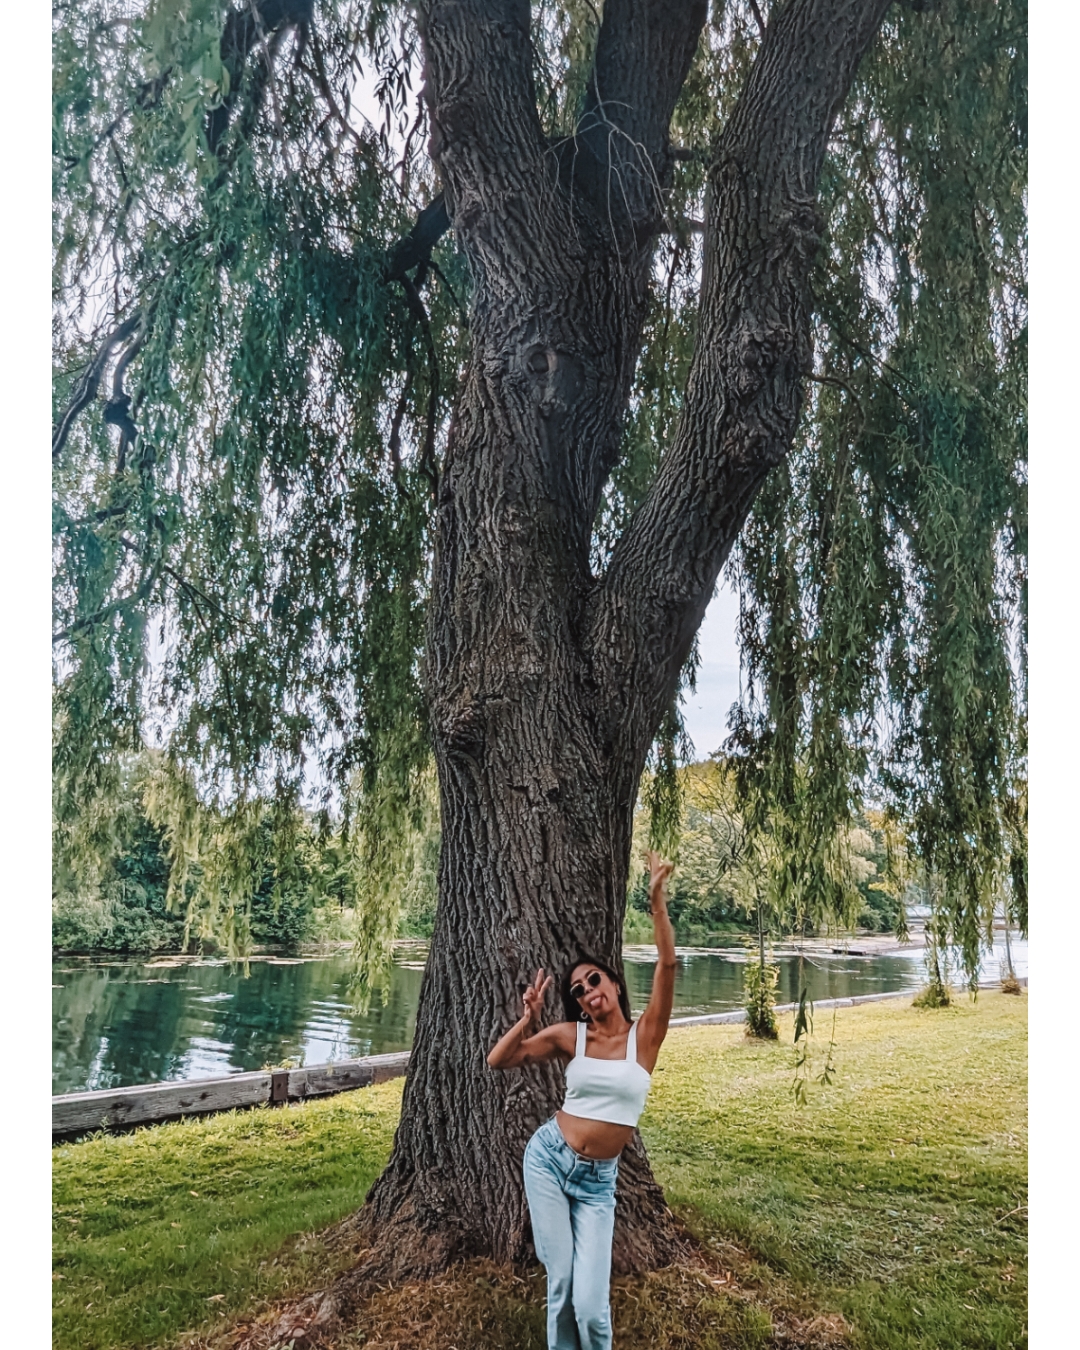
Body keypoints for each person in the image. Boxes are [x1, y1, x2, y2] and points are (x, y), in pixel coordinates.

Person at [486, 851, 677, 1350]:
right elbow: (499, 1061)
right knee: (563, 1284)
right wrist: (528, 1019)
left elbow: (668, 963)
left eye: (596, 980)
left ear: (614, 983)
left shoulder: (646, 1038)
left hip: (598, 1186)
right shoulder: (571, 1036)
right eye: (579, 989)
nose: (589, 991)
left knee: (592, 1311)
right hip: (548, 1159)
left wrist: (656, 901)